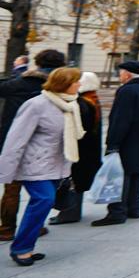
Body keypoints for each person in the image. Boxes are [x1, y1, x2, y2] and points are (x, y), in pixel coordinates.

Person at [0, 67, 84, 265]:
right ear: (63, 83)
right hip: (35, 165)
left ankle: (26, 246)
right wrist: (6, 170)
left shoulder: (70, 104)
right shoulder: (36, 105)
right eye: (76, 81)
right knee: (44, 200)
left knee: (42, 204)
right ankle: (21, 248)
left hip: (57, 166)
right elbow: (16, 139)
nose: (79, 84)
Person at [0, 49, 65, 242]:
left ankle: (7, 228)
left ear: (37, 62)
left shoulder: (20, 82)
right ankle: (35, 227)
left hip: (13, 140)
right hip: (45, 145)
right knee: (43, 192)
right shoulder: (60, 86)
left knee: (12, 188)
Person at [91, 60, 139, 227]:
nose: (120, 75)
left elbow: (120, 119)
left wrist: (112, 143)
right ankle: (134, 208)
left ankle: (117, 212)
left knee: (120, 176)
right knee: (136, 173)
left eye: (121, 72)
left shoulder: (126, 91)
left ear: (128, 74)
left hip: (127, 140)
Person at [50, 71, 103, 225]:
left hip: (81, 149)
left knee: (73, 182)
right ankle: (70, 212)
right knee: (77, 182)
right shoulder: (93, 100)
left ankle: (69, 213)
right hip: (89, 149)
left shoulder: (82, 103)